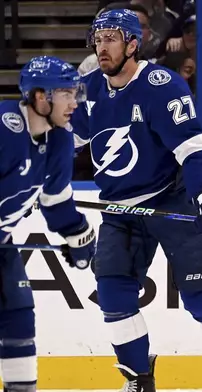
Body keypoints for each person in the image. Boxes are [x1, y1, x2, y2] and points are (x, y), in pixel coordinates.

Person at [70, 9, 202, 392]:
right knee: (112, 295)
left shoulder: (161, 84)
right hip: (119, 209)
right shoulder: (87, 88)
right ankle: (139, 377)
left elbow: (193, 145)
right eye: (98, 38)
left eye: (111, 38)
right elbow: (63, 141)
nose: (102, 46)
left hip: (170, 200)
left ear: (133, 44)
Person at [0, 56, 97, 392]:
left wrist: (77, 233)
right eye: (66, 94)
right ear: (41, 98)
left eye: (75, 93)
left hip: (3, 242)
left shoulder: (59, 141)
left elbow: (55, 201)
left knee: (19, 314)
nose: (74, 103)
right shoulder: (3, 127)